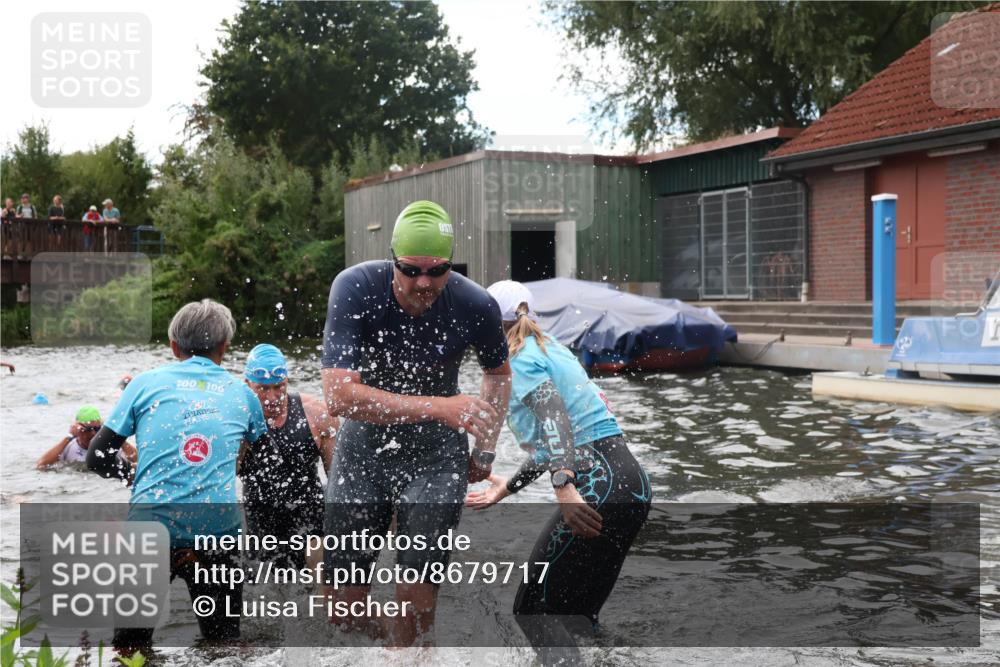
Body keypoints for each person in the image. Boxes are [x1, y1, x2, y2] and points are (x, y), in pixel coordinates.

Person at [321, 200, 511, 646]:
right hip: (363, 453)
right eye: (410, 270)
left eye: (437, 270)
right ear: (393, 262)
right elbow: (339, 396)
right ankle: (386, 648)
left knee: (415, 600)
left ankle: (408, 656)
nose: (424, 283)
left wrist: (484, 448)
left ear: (450, 265)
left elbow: (498, 376)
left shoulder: (474, 303)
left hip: (435, 459)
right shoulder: (355, 288)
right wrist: (440, 407)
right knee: (342, 610)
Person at [467, 280, 652, 664]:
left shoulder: (518, 360)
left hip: (595, 486)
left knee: (533, 609)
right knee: (578, 618)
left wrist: (563, 484)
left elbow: (555, 420)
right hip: (630, 485)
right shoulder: (550, 348)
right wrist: (509, 487)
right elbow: (560, 440)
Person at [86, 299, 268, 654]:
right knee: (223, 644)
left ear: (173, 346)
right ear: (224, 347)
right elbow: (258, 462)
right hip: (218, 531)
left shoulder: (144, 384)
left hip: (151, 529)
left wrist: (129, 475)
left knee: (130, 648)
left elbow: (97, 456)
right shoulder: (243, 395)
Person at [239, 343, 338, 568]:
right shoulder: (235, 420)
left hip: (310, 526)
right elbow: (224, 477)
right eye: (262, 389)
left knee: (318, 561)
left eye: (278, 387)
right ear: (247, 385)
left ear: (286, 382)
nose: (272, 397)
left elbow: (338, 478)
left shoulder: (318, 414)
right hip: (261, 529)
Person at [36, 406, 137, 469]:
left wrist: (117, 437)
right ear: (77, 429)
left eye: (97, 428)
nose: (93, 433)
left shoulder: (109, 446)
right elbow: (41, 465)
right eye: (88, 429)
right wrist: (68, 437)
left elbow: (138, 460)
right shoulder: (68, 447)